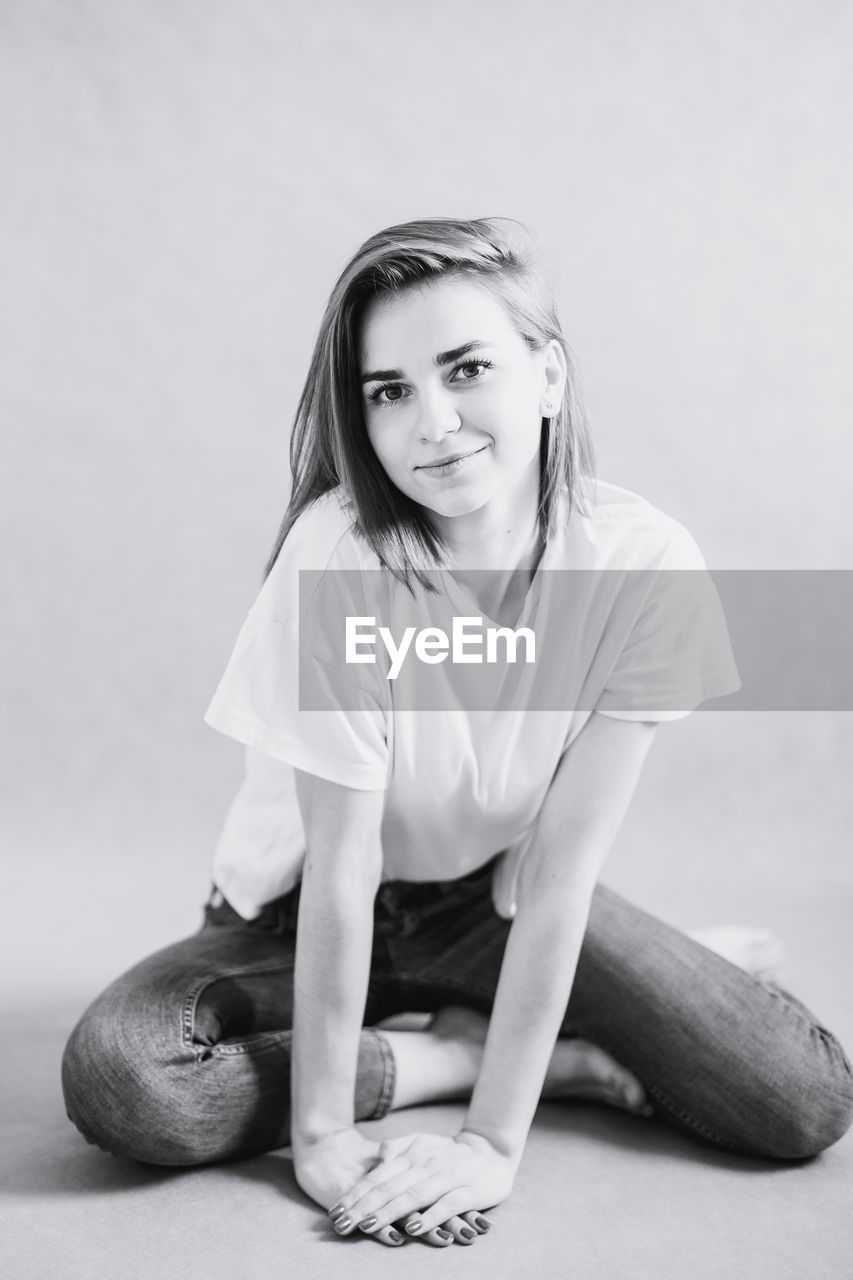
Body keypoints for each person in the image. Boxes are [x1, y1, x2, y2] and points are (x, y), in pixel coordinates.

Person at [61, 217, 853, 1251]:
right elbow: (344, 871)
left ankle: (501, 1032)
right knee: (127, 1077)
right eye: (388, 390)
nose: (431, 421)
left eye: (466, 368)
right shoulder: (339, 555)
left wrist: (490, 1145)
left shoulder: (642, 564)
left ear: (549, 376)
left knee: (799, 1098)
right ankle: (458, 1051)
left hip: (497, 896)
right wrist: (321, 1126)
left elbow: (557, 882)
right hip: (299, 910)